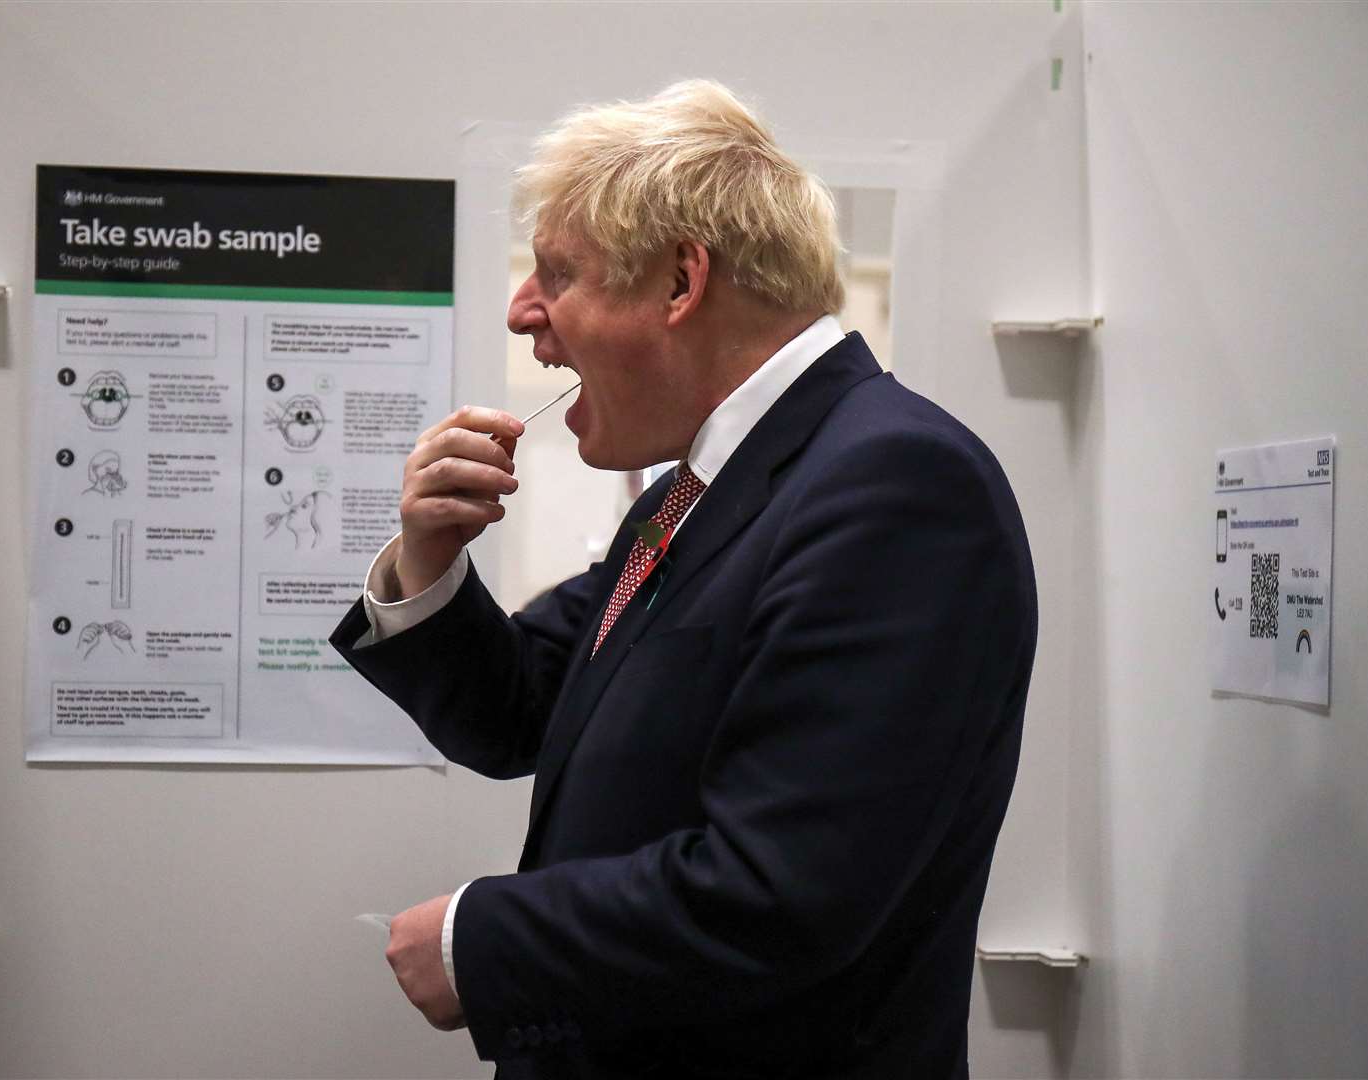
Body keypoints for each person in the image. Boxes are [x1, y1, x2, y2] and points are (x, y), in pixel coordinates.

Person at [330, 80, 1037, 1079]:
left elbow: (782, 890)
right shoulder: (703, 489)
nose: (522, 311)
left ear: (677, 282)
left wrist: (478, 941)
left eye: (555, 274)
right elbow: (524, 709)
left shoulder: (894, 483)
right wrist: (426, 562)